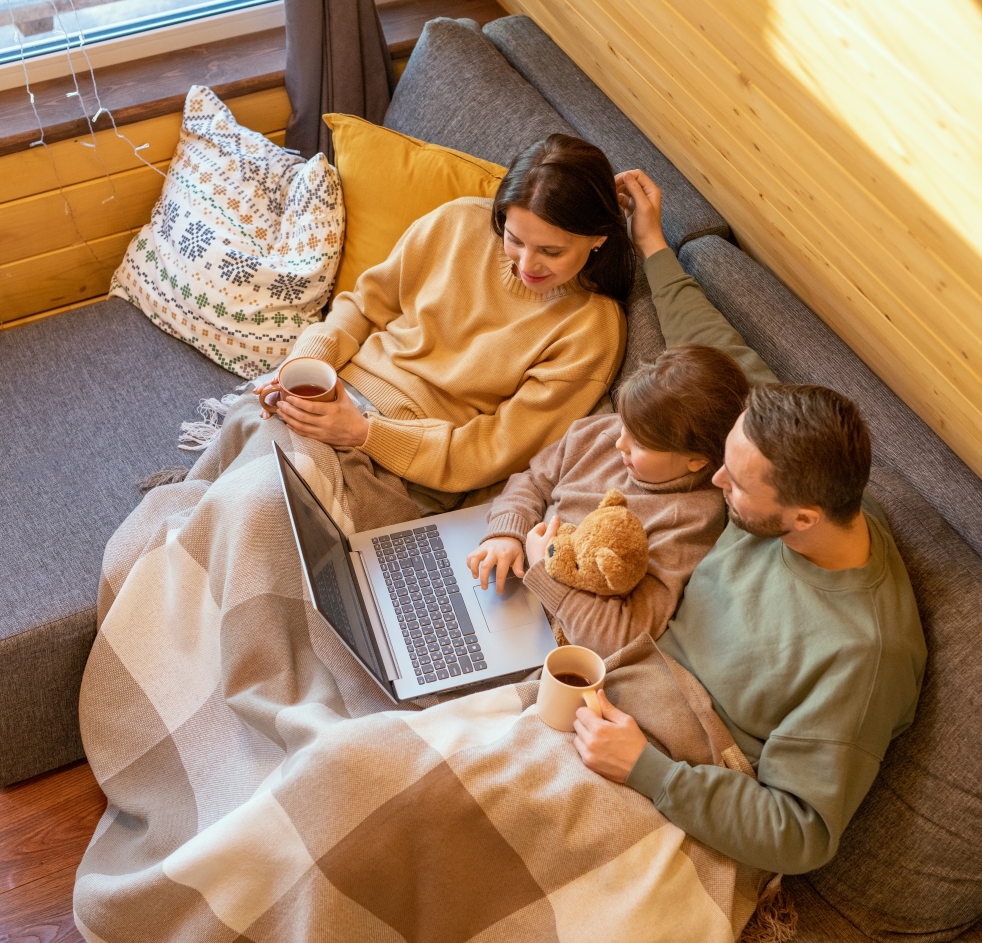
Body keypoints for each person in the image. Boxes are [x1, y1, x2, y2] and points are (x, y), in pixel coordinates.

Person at [569, 169, 927, 876]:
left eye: (734, 479)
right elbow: (715, 345)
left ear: (800, 517)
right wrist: (652, 243)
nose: (717, 480)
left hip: (686, 776)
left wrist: (650, 771)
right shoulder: (790, 450)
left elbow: (800, 835)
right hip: (620, 688)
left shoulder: (861, 656)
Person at [254, 134, 632, 504]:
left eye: (551, 251)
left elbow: (495, 449)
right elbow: (366, 306)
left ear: (598, 238)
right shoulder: (459, 221)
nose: (527, 264)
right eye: (514, 238)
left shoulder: (592, 329)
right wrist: (307, 363)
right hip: (337, 389)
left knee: (264, 502)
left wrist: (362, 433)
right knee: (247, 437)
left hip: (402, 460)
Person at [465, 344, 750, 654]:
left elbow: (621, 636)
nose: (618, 443)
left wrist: (544, 569)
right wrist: (506, 532)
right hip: (507, 569)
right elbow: (533, 480)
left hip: (551, 632)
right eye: (624, 425)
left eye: (639, 442)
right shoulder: (603, 433)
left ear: (696, 460)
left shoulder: (689, 522)